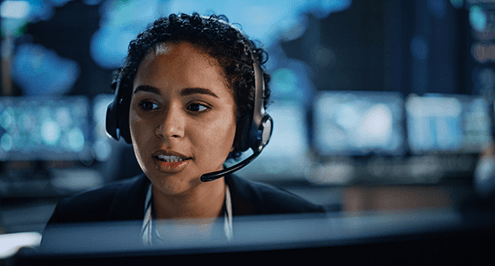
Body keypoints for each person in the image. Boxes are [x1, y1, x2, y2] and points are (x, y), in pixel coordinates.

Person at [41, 13, 325, 247]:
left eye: (197, 107)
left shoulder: (300, 227)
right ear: (121, 119)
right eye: (149, 105)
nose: (168, 129)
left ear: (245, 126)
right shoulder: (75, 224)